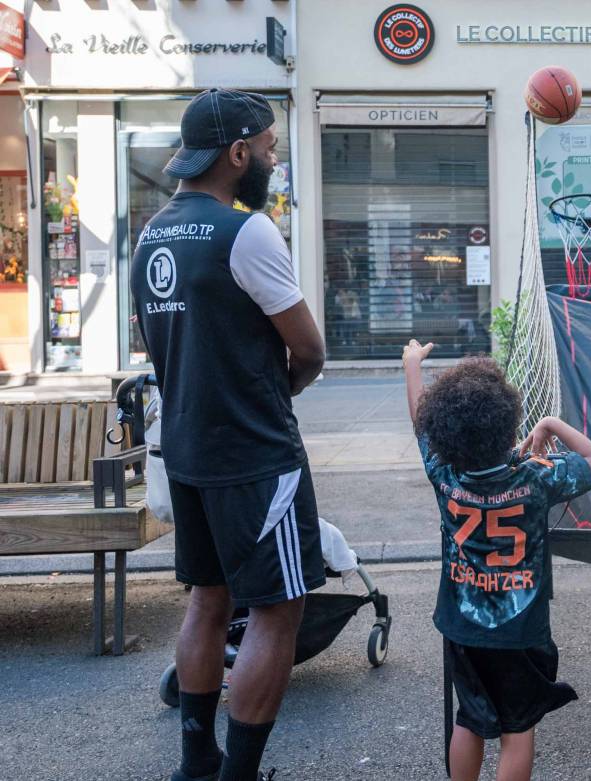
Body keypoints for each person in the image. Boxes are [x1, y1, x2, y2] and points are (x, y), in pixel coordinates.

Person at [131, 89, 326, 781]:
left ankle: (196, 762)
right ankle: (238, 775)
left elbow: (163, 347)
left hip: (185, 452)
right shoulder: (246, 230)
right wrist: (278, 392)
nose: (272, 158)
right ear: (237, 152)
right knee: (278, 610)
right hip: (254, 455)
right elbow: (309, 350)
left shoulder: (150, 236)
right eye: (269, 147)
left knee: (208, 599)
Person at [403, 340, 591, 781]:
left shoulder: (445, 476)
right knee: (518, 728)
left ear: (446, 439)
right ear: (510, 430)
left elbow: (419, 424)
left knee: (470, 719)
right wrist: (551, 422)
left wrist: (411, 365)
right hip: (521, 631)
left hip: (463, 627)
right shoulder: (536, 478)